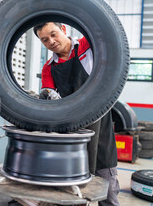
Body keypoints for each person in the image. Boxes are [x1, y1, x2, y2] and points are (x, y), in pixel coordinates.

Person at [34, 22, 120, 206]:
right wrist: (46, 96)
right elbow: (48, 92)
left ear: (63, 29)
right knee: (74, 194)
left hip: (101, 128)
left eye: (54, 34)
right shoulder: (49, 68)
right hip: (72, 136)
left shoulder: (88, 45)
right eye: (45, 40)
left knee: (109, 192)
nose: (51, 41)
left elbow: (108, 35)